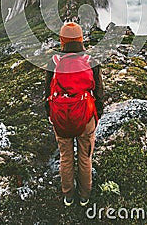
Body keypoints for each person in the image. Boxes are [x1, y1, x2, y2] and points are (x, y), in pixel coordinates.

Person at [45, 22, 104, 207]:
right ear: (80, 40)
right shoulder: (90, 60)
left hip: (61, 117)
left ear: (62, 40)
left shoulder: (54, 62)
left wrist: (50, 114)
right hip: (85, 116)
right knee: (85, 158)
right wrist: (97, 115)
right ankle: (85, 196)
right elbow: (100, 93)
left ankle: (68, 196)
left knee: (66, 157)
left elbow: (47, 91)